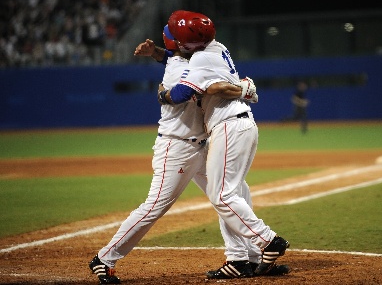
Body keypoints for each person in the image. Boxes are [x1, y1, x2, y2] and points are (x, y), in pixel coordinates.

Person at [88, 29, 285, 284]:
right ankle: (104, 259)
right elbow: (182, 87)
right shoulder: (180, 67)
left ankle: (242, 259)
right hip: (177, 149)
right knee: (155, 206)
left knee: (233, 192)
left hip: (202, 144)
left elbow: (173, 54)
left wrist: (157, 52)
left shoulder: (186, 57)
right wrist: (242, 88)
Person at [160, 10, 290, 277]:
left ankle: (267, 240)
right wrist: (158, 55)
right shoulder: (215, 49)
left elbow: (183, 91)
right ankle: (242, 260)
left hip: (228, 125)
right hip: (238, 124)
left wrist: (163, 95)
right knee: (235, 192)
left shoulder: (201, 58)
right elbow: (196, 72)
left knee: (222, 195)